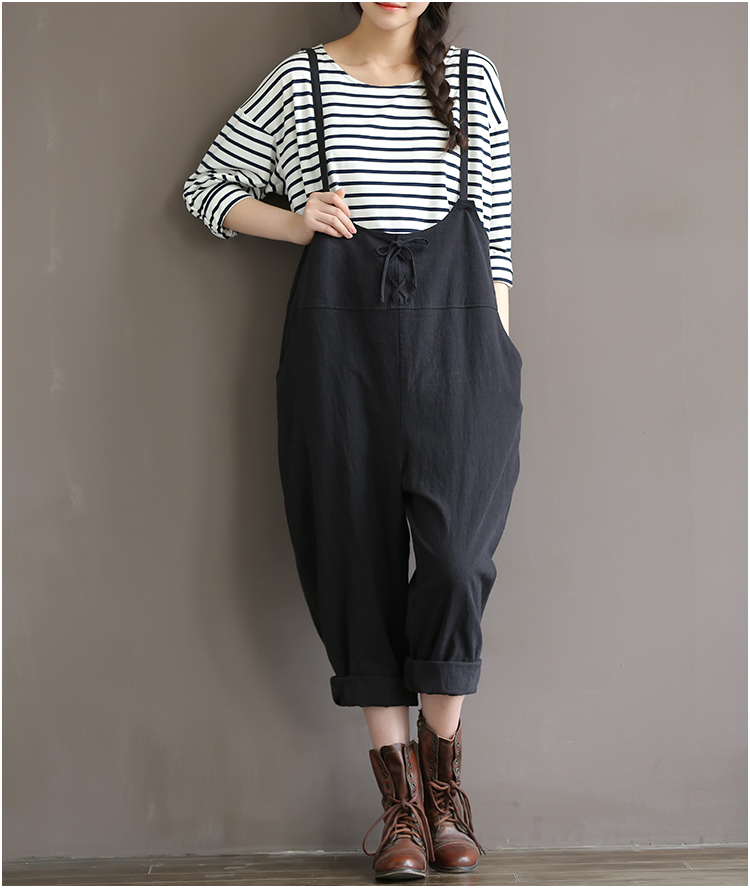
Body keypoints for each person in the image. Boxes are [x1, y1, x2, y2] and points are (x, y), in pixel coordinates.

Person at [183, 2, 522, 880]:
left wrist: (497, 357)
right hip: (339, 358)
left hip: (462, 353)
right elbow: (206, 188)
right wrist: (295, 221)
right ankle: (402, 806)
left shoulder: (473, 80)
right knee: (352, 557)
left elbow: (495, 235)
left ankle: (446, 786)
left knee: (455, 561)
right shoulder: (301, 81)